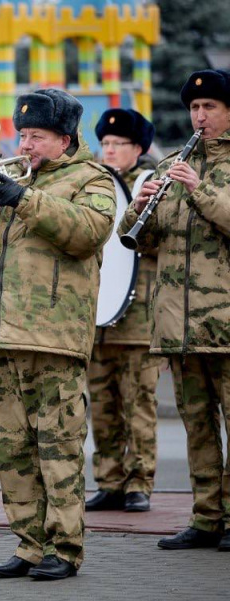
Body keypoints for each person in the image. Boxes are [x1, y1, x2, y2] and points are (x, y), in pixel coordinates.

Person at [0, 88, 117, 580]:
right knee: (15, 451)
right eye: (22, 135)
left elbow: (87, 232)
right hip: (4, 337)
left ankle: (65, 548)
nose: (26, 145)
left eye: (37, 136)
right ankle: (28, 545)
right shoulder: (6, 178)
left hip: (55, 337)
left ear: (64, 139)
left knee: (57, 448)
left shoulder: (91, 179)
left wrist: (27, 199)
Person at [120, 69, 230, 552]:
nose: (199, 116)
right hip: (181, 326)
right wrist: (138, 206)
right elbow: (141, 240)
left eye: (209, 108)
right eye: (193, 109)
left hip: (226, 323)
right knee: (197, 428)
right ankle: (206, 519)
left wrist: (200, 190)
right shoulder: (169, 166)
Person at [86, 108, 161, 513]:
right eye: (106, 144)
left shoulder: (154, 184)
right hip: (98, 318)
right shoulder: (95, 185)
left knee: (139, 404)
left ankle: (140, 483)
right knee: (102, 404)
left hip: (139, 319)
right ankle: (109, 480)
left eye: (119, 144)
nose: (110, 150)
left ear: (139, 148)